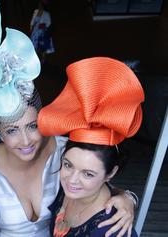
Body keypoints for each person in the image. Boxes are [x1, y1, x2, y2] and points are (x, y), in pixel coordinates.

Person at [0, 1, 136, 236]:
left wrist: (125, 197)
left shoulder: (63, 150)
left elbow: (92, 179)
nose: (26, 140)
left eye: (32, 125)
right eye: (12, 130)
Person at [37, 57, 144, 236]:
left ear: (110, 173)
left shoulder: (110, 229)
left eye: (88, 174)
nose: (72, 180)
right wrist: (129, 196)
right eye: (68, 165)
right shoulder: (67, 191)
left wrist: (129, 198)